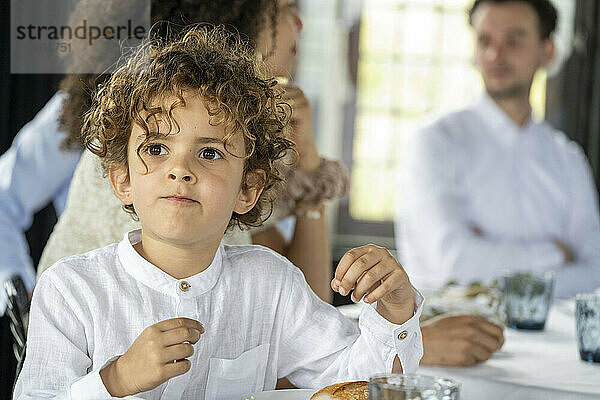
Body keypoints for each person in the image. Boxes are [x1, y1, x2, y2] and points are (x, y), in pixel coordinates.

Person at [13, 26, 423, 399]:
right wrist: (116, 379)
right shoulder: (70, 290)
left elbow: (358, 383)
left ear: (247, 190)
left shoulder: (271, 285)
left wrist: (395, 312)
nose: (180, 170)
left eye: (209, 153)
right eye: (156, 149)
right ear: (122, 181)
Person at [397, 0, 600, 299]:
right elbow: (451, 264)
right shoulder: (436, 141)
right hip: (449, 339)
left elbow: (594, 275)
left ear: (547, 51)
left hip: (554, 344)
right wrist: (554, 253)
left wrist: (487, 261)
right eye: (485, 40)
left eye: (513, 41)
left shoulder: (568, 159)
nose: (495, 54)